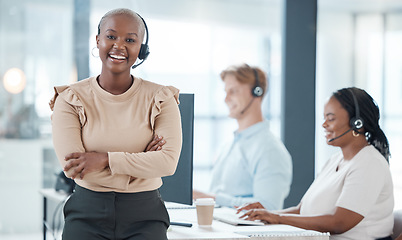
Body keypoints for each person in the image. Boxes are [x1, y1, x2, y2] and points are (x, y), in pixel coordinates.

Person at [49, 8, 182, 239]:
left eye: (130, 40)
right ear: (98, 40)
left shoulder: (161, 98)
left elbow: (167, 163)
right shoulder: (70, 98)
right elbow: (74, 168)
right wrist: (141, 164)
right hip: (86, 214)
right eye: (111, 36)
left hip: (145, 216)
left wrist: (102, 159)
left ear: (141, 48)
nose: (119, 46)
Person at [238, 87, 394, 240]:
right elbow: (301, 210)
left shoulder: (369, 164)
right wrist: (263, 215)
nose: (324, 124)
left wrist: (278, 218)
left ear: (357, 123)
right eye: (324, 118)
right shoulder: (335, 160)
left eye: (331, 118)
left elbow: (339, 223)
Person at [193, 63, 293, 210]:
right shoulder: (229, 146)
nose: (226, 99)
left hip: (243, 232)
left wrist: (208, 198)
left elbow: (268, 207)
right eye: (226, 91)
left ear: (257, 92)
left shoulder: (269, 149)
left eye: (233, 91)